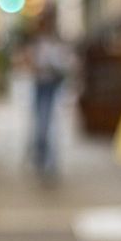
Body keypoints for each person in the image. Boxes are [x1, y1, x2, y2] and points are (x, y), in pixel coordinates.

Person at [26, 10, 72, 180]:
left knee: (49, 125)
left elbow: (66, 64)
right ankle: (41, 158)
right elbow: (29, 63)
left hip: (53, 86)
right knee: (41, 124)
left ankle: (48, 162)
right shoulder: (38, 43)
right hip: (40, 86)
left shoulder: (56, 43)